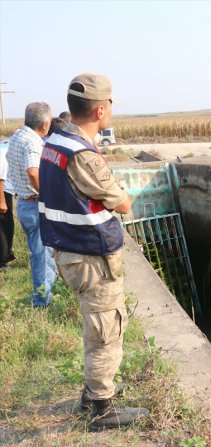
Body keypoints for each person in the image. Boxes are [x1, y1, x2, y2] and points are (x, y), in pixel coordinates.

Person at [39, 73, 148, 431]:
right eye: (112, 104)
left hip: (67, 250)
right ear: (101, 110)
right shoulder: (82, 153)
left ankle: (92, 393)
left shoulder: (55, 139)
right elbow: (123, 204)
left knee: (96, 323)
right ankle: (101, 408)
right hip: (89, 256)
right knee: (106, 328)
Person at [6, 103, 56, 306]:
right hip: (35, 204)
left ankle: (43, 293)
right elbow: (33, 171)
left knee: (38, 254)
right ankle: (42, 299)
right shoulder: (33, 142)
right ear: (45, 123)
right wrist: (46, 194)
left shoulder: (17, 135)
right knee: (43, 256)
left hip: (24, 203)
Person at [0, 138, 16, 270]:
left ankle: (6, 255)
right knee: (5, 227)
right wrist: (2, 201)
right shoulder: (6, 151)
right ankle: (2, 260)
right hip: (3, 192)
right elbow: (0, 178)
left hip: (6, 190)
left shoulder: (4, 145)